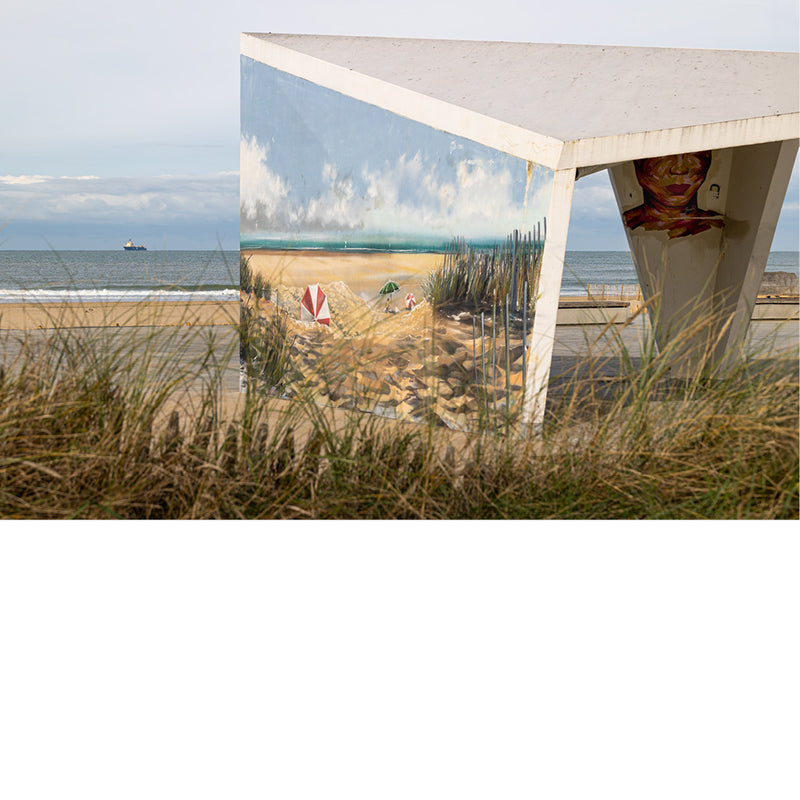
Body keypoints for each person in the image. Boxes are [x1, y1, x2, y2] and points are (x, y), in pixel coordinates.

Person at [623, 150, 724, 239]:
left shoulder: (717, 225)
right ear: (637, 162)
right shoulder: (623, 226)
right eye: (663, 154)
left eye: (694, 151)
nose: (679, 169)